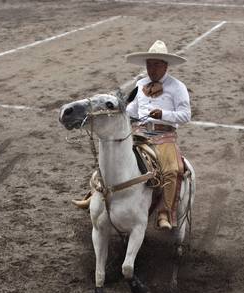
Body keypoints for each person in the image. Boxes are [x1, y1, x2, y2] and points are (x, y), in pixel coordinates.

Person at [74, 40, 191, 231]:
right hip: (138, 133)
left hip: (164, 137)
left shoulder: (178, 87)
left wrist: (163, 115)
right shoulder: (141, 84)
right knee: (111, 156)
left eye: (156, 65)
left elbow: (186, 116)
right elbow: (131, 110)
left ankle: (165, 212)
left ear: (165, 66)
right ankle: (94, 195)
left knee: (172, 170)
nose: (151, 69)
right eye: (149, 64)